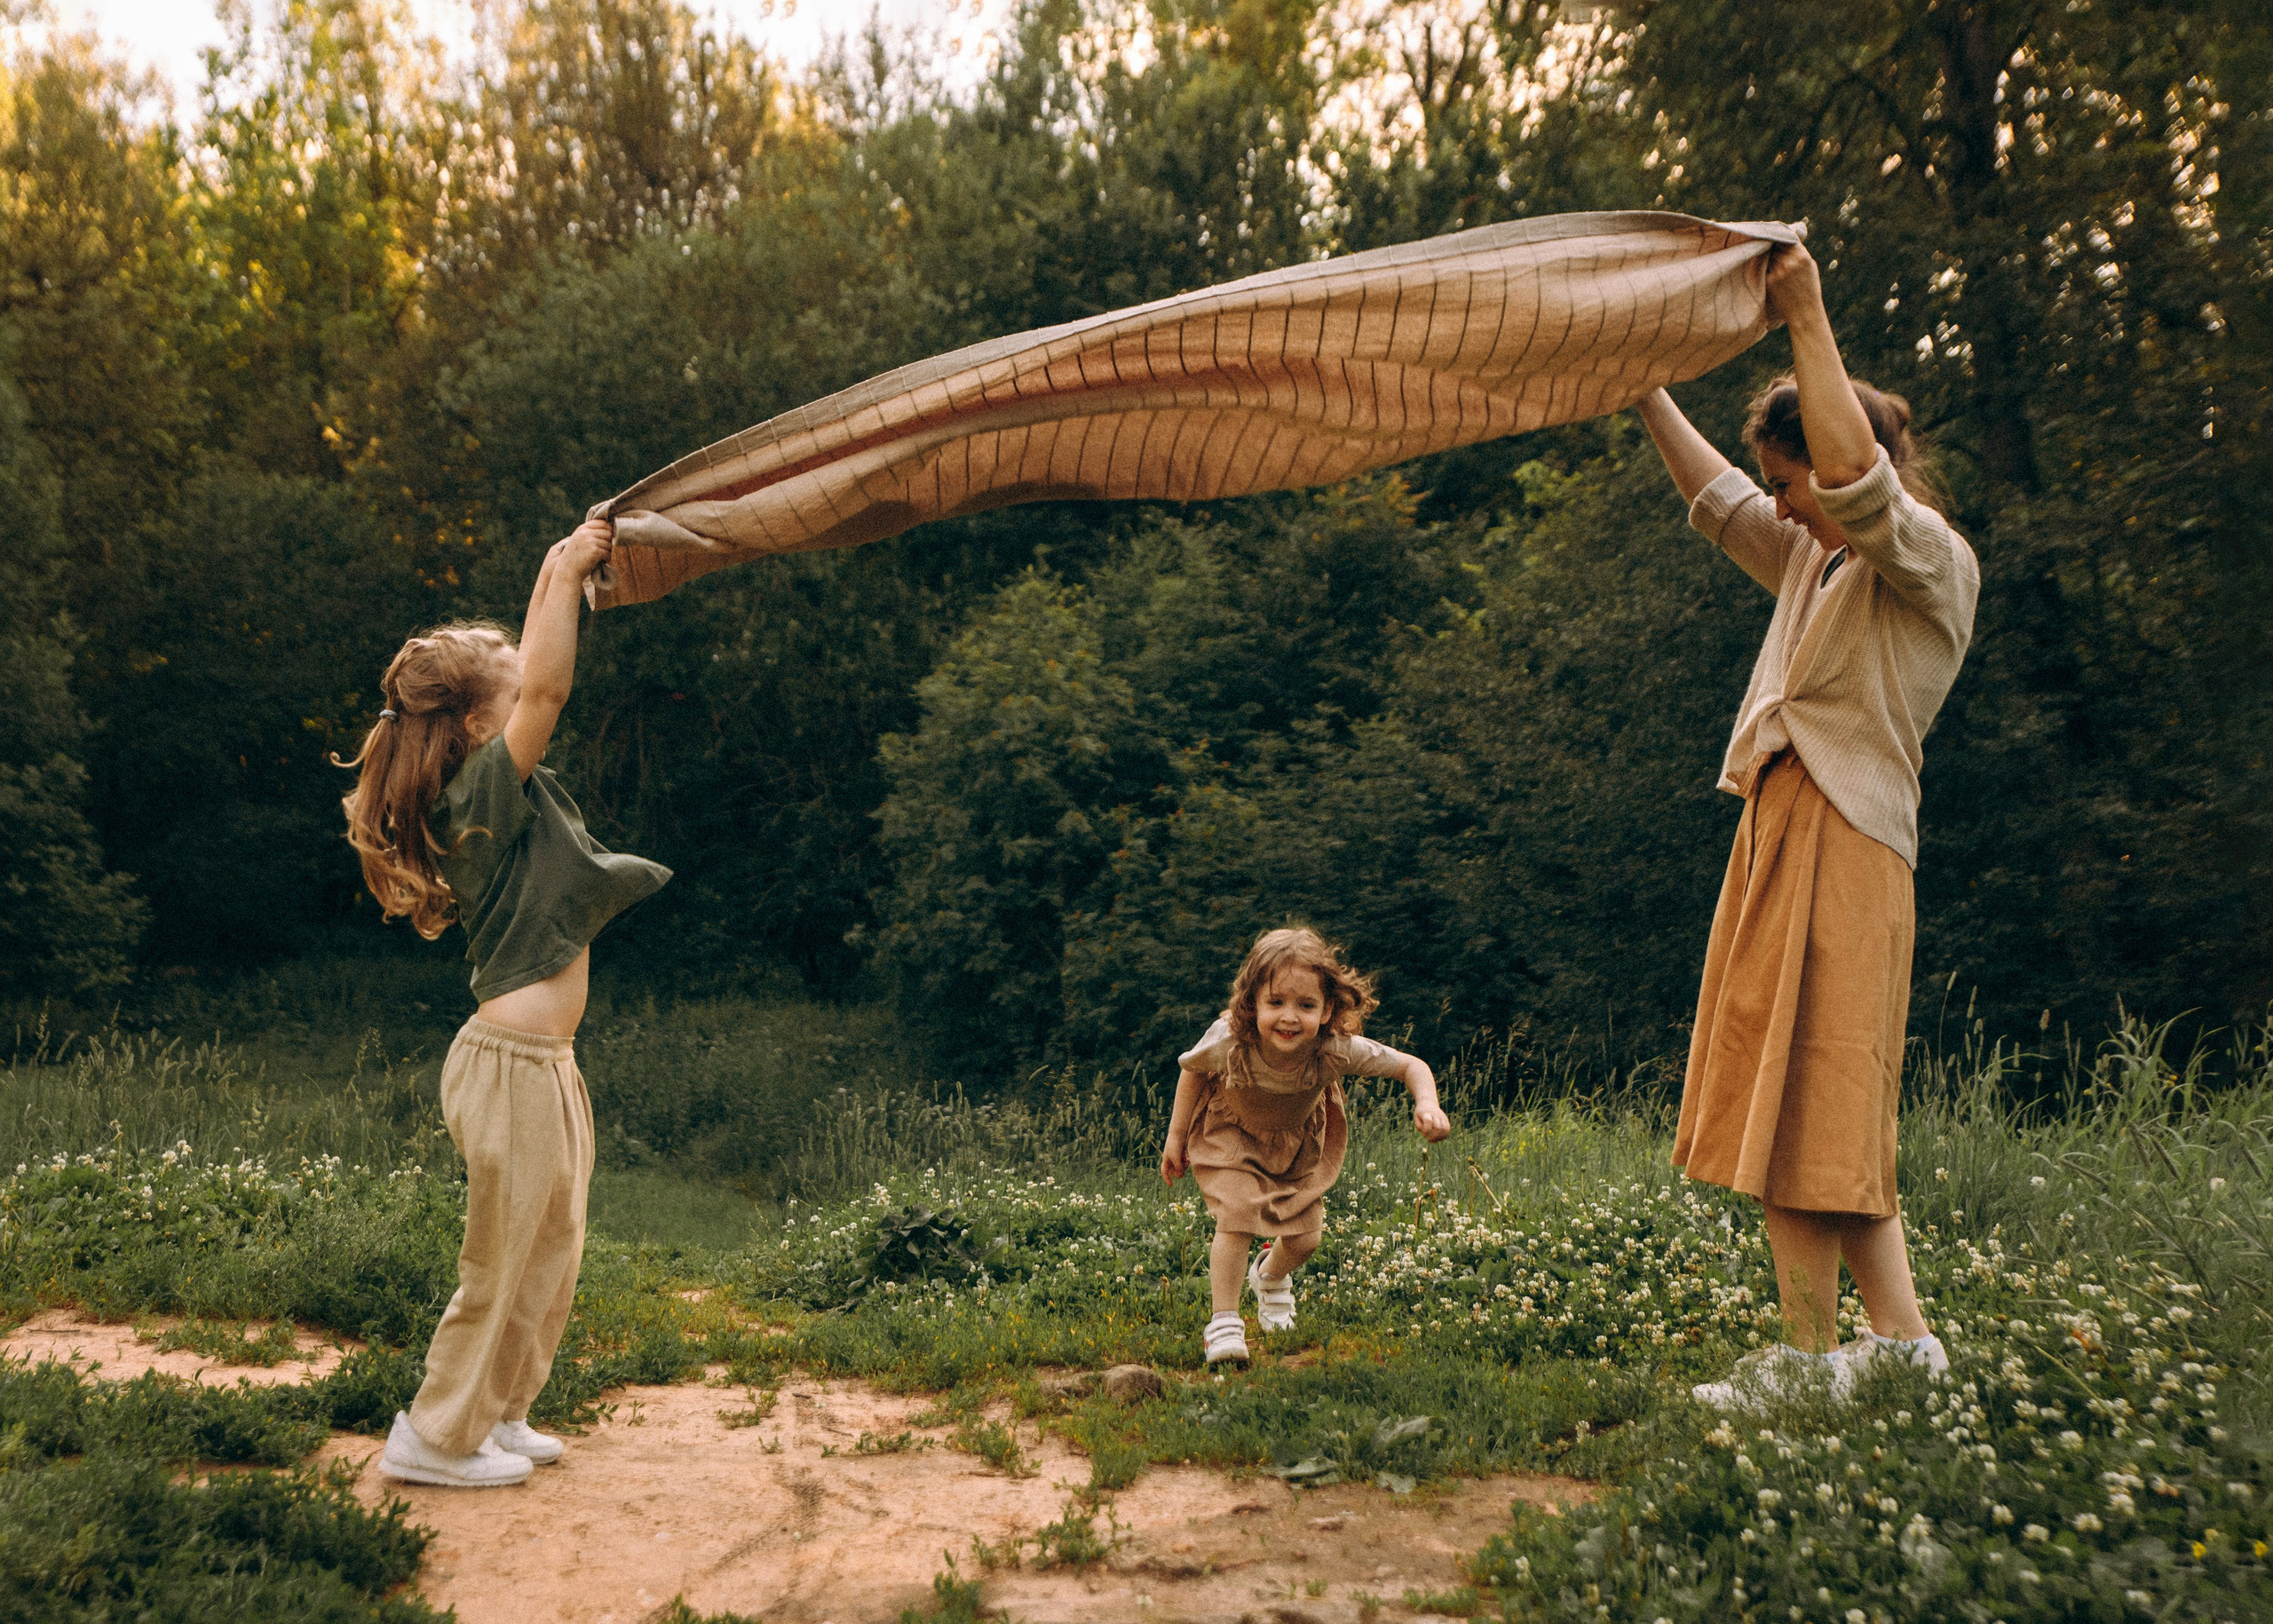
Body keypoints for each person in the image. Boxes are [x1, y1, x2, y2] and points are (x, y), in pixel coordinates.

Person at [1635, 241, 1979, 1407]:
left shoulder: (1926, 561)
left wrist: (1806, 310)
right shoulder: (1812, 563)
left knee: (1808, 1099)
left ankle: (1811, 1363)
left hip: (1847, 835)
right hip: (1784, 831)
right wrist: (1641, 388)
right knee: (1822, 1103)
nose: (1779, 500)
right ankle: (1903, 1346)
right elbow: (1719, 503)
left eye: (1790, 481)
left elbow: (1854, 482)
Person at [337, 519, 670, 1485]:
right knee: (500, 1257)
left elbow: (533, 669)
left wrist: (557, 562)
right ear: (482, 726)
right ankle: (435, 1437)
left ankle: (500, 1409)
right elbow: (551, 687)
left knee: (551, 1245)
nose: (530, 688)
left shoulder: (494, 781)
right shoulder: (478, 792)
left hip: (545, 1063)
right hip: (510, 1065)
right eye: (511, 691)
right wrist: (564, 576)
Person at [1160, 926, 1452, 1365]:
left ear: (1327, 1008)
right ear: (1252, 1003)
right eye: (1276, 1002)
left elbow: (1410, 1066)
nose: (1289, 1018)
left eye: (1306, 1005)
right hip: (1231, 1136)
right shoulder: (1230, 1040)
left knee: (1305, 1240)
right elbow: (1192, 1070)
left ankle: (1270, 1275)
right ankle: (1224, 1323)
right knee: (1237, 1217)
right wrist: (1176, 1135)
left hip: (1297, 1146)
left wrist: (1427, 1103)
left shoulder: (1334, 1049)